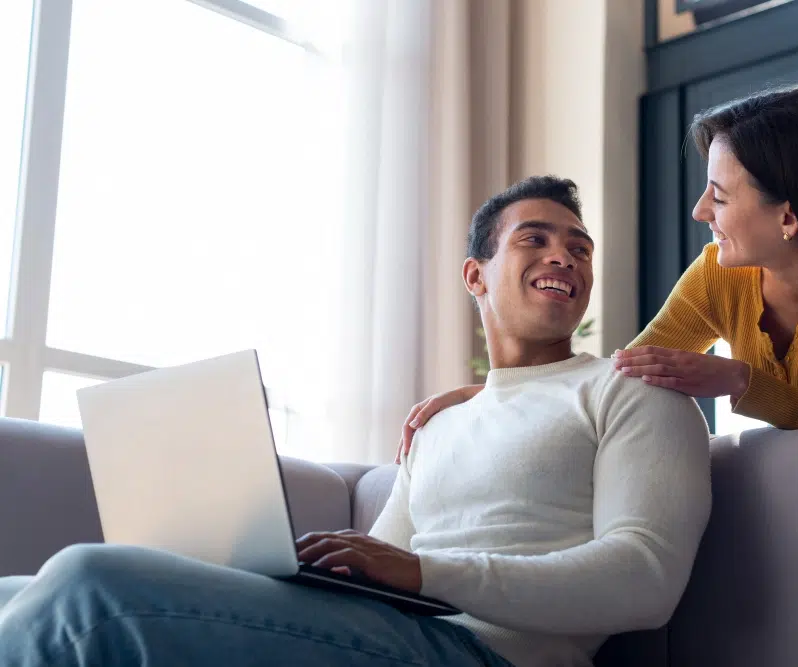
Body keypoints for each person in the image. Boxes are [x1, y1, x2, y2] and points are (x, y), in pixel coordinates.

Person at [0, 176, 713, 667]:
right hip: (389, 634)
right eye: (535, 238)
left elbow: (645, 578)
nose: (565, 255)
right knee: (18, 589)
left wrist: (424, 570)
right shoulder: (437, 426)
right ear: (476, 275)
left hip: (486, 653)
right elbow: (378, 570)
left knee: (89, 586)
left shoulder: (635, 388)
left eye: (580, 247)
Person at [398, 87, 798, 459]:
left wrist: (739, 382)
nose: (700, 212)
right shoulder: (719, 273)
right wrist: (493, 395)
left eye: (718, 197)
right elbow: (630, 373)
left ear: (787, 216)